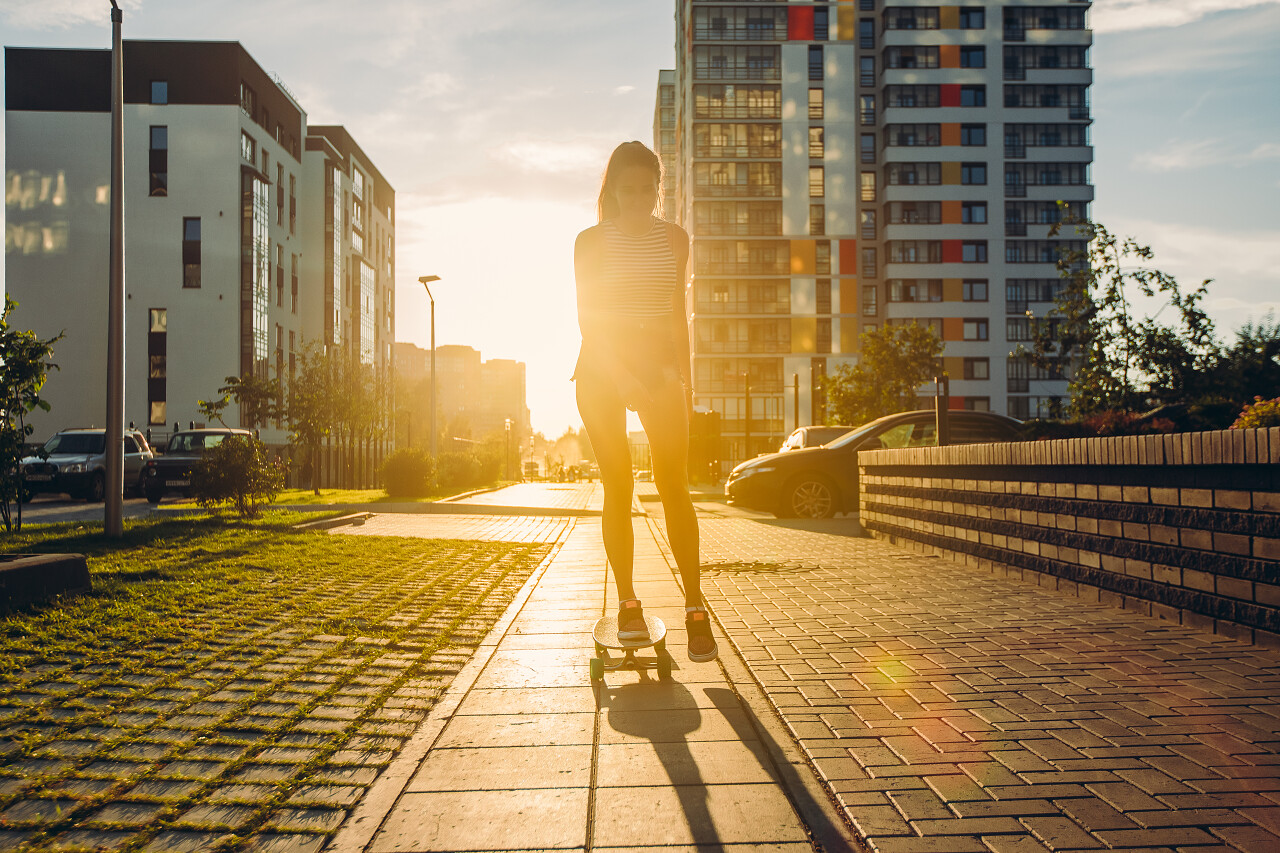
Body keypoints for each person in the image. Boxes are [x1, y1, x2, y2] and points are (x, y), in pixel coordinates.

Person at [573, 141, 717, 663]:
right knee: (618, 484)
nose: (636, 198)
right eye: (625, 188)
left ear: (658, 190)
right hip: (601, 367)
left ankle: (695, 606)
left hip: (656, 364)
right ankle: (629, 604)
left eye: (645, 189)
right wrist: (622, 378)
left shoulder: (675, 239)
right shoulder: (590, 242)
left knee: (673, 483)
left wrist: (685, 378)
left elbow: (677, 311)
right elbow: (589, 321)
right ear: (610, 189)